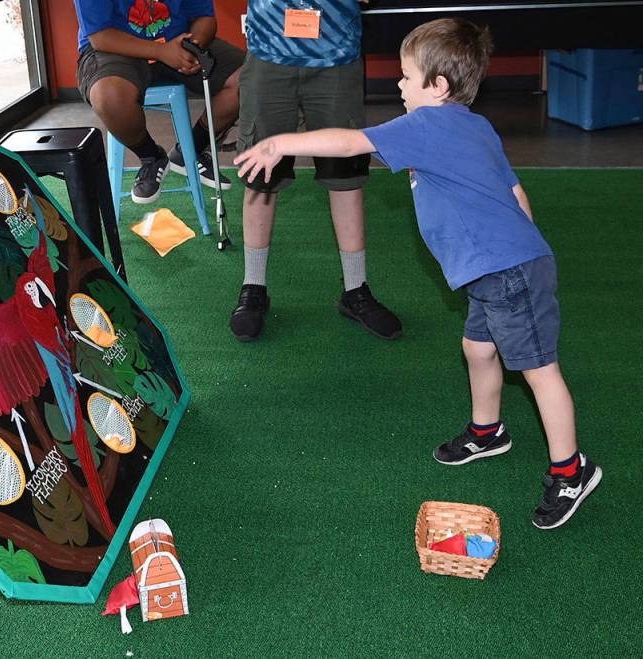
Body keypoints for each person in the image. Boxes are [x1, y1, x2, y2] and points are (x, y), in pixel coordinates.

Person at [235, 17, 602, 529]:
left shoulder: (426, 125)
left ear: (438, 87)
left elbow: (349, 142)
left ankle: (570, 470)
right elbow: (516, 193)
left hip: (507, 271)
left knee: (541, 372)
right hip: (496, 269)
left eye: (406, 76)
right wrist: (517, 250)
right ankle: (487, 431)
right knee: (477, 348)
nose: (399, 85)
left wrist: (280, 145)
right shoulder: (475, 124)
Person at [230, 0, 402, 342]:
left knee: (346, 177)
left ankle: (356, 290)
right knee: (261, 173)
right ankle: (254, 287)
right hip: (269, 53)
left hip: (337, 55)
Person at [73, 0, 243, 203]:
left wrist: (192, 47)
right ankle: (151, 157)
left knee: (251, 78)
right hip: (115, 49)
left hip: (180, 41)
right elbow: (101, 37)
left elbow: (204, 18)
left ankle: (191, 149)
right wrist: (161, 52)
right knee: (108, 98)